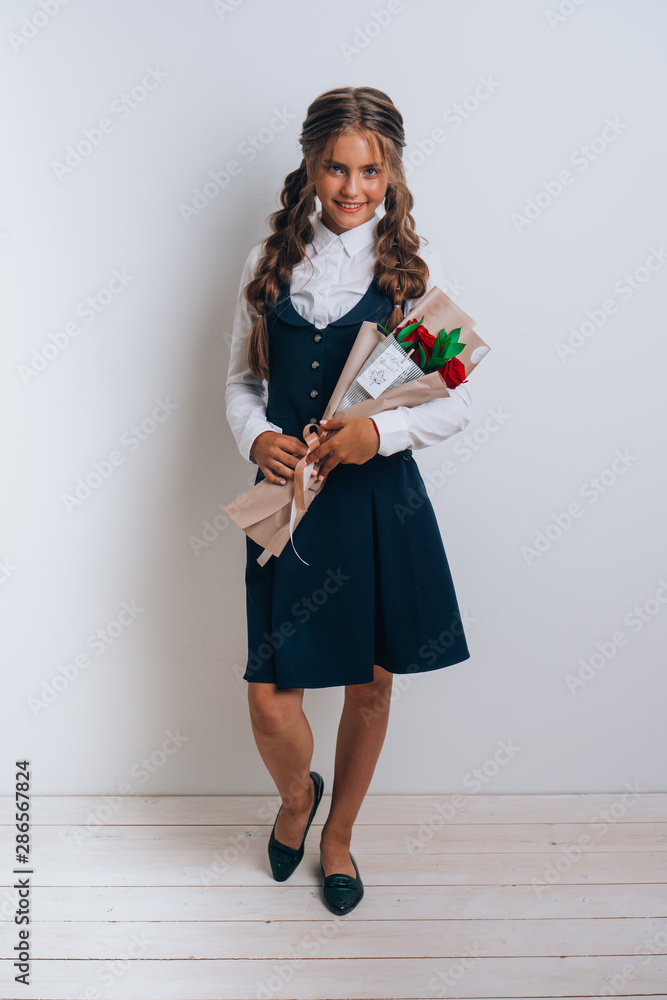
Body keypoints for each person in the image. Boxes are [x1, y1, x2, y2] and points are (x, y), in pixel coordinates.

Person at [225, 86, 473, 915]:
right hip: (287, 503)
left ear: (391, 171)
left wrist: (380, 438)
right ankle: (299, 796)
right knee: (269, 698)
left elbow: (455, 401)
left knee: (370, 684)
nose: (352, 186)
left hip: (377, 504)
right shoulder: (270, 267)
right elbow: (241, 383)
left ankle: (338, 838)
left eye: (370, 169)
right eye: (337, 166)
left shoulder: (410, 278)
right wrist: (255, 436)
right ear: (310, 164)